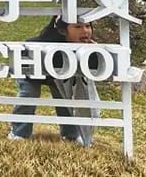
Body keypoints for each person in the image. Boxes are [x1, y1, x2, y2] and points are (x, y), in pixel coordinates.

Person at [7, 15, 100, 147]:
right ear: (62, 30)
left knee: (66, 99)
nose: (85, 31)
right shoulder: (42, 45)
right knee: (29, 94)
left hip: (60, 76)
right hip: (32, 71)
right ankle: (19, 132)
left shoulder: (91, 48)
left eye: (88, 26)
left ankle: (71, 134)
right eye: (78, 27)